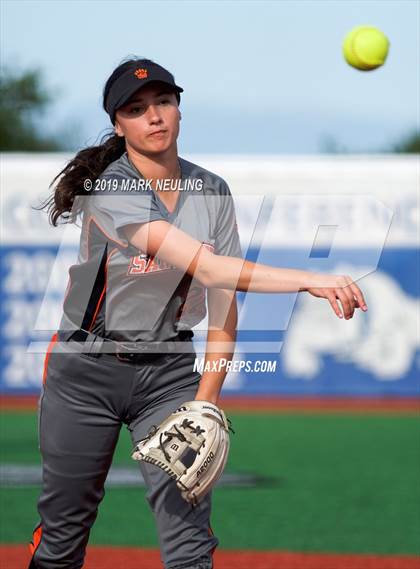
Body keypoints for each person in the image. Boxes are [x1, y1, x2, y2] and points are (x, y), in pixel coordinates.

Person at [28, 57, 367, 569]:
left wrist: (205, 402)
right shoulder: (112, 190)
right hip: (86, 372)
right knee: (62, 537)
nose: (155, 116)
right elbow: (210, 269)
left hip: (167, 375)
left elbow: (223, 303)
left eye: (164, 102)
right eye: (137, 109)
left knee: (190, 541)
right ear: (118, 125)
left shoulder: (211, 191)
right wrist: (311, 278)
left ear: (180, 110)